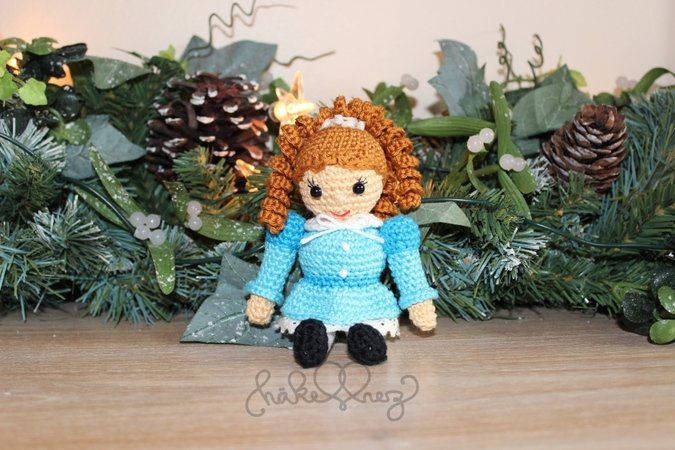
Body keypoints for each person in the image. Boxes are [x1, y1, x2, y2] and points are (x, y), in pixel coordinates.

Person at [245, 96, 437, 368]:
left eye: (358, 188)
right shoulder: (293, 227)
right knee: (312, 329)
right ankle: (315, 332)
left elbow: (409, 272)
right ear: (300, 185)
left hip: (367, 300)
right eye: (316, 190)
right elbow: (274, 267)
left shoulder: (392, 230)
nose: (339, 204)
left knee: (366, 331)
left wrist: (419, 303)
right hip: (313, 298)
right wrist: (263, 297)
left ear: (382, 181)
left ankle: (362, 333)